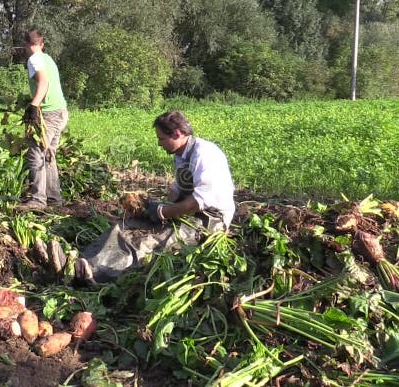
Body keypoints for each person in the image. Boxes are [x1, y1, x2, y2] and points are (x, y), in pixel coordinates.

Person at [40, 110, 235, 284]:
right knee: (127, 225)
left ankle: (94, 274)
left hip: (209, 219)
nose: (159, 144)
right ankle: (80, 263)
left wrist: (162, 212)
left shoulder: (204, 153)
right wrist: (148, 207)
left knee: (151, 239)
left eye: (161, 139)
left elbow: (200, 202)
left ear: (177, 134)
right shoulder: (181, 154)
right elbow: (177, 191)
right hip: (187, 210)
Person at [17, 28, 69, 211]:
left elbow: (43, 82)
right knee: (48, 155)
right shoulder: (48, 59)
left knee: (36, 154)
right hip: (61, 111)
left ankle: (38, 201)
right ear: (41, 44)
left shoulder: (34, 59)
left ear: (26, 45)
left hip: (49, 114)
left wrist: (33, 105)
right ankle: (54, 199)